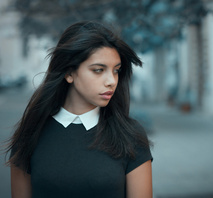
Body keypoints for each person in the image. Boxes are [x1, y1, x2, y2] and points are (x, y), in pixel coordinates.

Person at [6, 21, 153, 198]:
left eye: (116, 70)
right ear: (69, 73)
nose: (111, 81)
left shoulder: (131, 135)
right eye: (99, 70)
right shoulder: (29, 134)